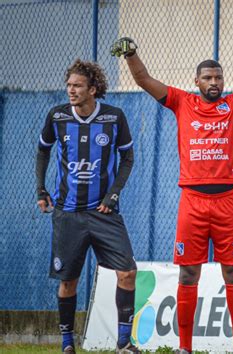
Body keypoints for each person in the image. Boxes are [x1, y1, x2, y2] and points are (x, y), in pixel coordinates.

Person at [110, 13, 233, 354]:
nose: (214, 82)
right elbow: (144, 79)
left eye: (218, 77)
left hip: (228, 203)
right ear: (196, 81)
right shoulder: (182, 102)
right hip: (192, 203)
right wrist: (131, 53)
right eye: (208, 77)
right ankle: (185, 348)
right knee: (188, 275)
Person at [36, 59, 140, 354]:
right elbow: (43, 151)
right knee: (68, 282)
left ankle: (123, 342)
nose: (71, 90)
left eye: (77, 85)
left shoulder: (114, 117)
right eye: (69, 85)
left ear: (93, 89)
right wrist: (41, 189)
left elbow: (128, 159)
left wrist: (114, 195)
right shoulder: (57, 116)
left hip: (104, 212)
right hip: (67, 213)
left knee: (128, 272)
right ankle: (67, 344)